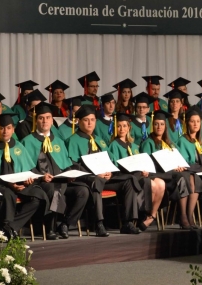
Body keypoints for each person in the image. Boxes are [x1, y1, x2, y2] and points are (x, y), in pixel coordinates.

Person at [65, 104, 140, 236]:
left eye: (92, 120)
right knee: (96, 181)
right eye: (86, 120)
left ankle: (128, 222)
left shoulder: (100, 140)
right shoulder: (73, 140)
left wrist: (110, 171)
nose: (90, 123)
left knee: (130, 180)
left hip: (105, 177)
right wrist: (95, 173)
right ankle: (99, 223)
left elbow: (110, 160)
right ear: (79, 121)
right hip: (87, 178)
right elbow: (73, 165)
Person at [20, 103, 90, 240]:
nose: (45, 121)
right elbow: (26, 167)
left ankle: (65, 225)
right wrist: (41, 176)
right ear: (36, 120)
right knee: (53, 189)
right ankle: (50, 228)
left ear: (52, 120)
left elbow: (66, 164)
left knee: (83, 191)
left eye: (48, 117)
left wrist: (70, 175)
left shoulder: (58, 141)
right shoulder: (27, 142)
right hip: (41, 182)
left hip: (62, 181)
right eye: (41, 118)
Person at [0, 113, 50, 241]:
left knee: (37, 196)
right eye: (1, 128)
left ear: (13, 129)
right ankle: (8, 226)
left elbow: (29, 169)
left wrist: (33, 178)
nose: (5, 131)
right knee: (8, 194)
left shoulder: (18, 146)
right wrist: (9, 183)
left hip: (20, 183)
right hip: (0, 184)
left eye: (8, 128)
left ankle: (10, 227)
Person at [139, 110, 202, 228]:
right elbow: (147, 165)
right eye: (156, 124)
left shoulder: (168, 143)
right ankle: (183, 216)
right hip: (158, 175)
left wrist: (179, 166)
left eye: (162, 124)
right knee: (182, 177)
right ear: (152, 126)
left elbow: (177, 160)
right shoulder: (148, 143)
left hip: (171, 175)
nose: (159, 127)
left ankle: (187, 216)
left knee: (188, 176)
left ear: (165, 126)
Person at [107, 113, 165, 232]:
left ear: (129, 127)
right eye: (119, 126)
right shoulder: (114, 145)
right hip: (124, 176)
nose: (122, 129)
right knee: (151, 184)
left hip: (137, 175)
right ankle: (141, 215)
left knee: (159, 182)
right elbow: (115, 165)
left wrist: (144, 170)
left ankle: (147, 215)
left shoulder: (134, 146)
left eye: (124, 126)